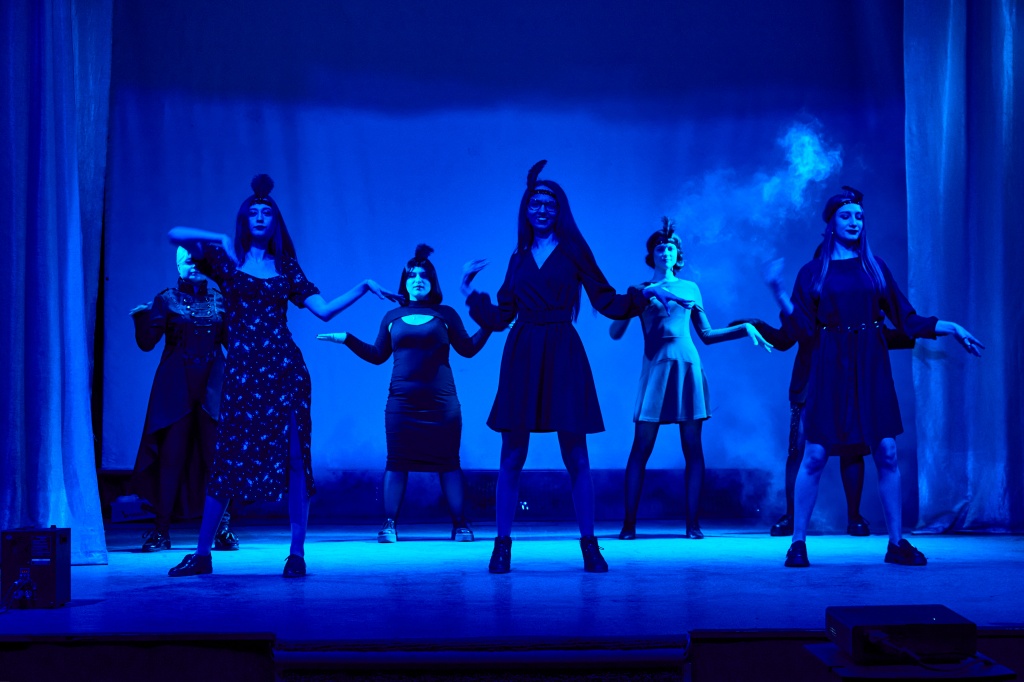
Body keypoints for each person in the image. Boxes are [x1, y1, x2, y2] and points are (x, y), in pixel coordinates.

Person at [165, 174, 399, 578]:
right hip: (243, 374)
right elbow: (175, 234)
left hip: (284, 370)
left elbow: (323, 311)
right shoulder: (226, 259)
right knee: (227, 459)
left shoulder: (286, 266)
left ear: (276, 222)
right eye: (253, 212)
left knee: (294, 459)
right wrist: (220, 237)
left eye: (267, 212)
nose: (260, 217)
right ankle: (202, 555)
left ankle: (296, 554)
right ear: (244, 220)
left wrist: (362, 286)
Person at [461, 160, 690, 573]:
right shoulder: (518, 259)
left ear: (560, 210)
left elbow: (607, 300)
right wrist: (470, 294)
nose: (542, 210)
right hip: (523, 353)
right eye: (535, 203)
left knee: (576, 455)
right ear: (526, 209)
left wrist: (643, 295)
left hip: (564, 352)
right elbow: (501, 316)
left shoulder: (574, 251)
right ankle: (501, 546)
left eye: (549, 204)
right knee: (511, 455)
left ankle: (590, 545)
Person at [766, 186, 983, 568]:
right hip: (830, 366)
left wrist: (949, 327)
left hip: (871, 365)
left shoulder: (874, 267)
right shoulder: (812, 272)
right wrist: (779, 293)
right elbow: (803, 330)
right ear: (831, 223)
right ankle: (798, 543)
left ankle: (896, 544)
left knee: (886, 451)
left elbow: (906, 318)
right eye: (846, 215)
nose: (854, 222)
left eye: (859, 216)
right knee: (815, 454)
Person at [734, 245, 917, 539]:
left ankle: (854, 517)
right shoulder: (808, 292)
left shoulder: (856, 298)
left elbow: (878, 333)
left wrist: (919, 331)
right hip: (809, 381)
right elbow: (785, 338)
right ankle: (792, 517)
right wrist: (754, 324)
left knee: (853, 448)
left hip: (847, 381)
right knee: (800, 450)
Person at [611, 219, 772, 541]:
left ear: (678, 255)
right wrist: (634, 301)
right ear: (651, 255)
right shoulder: (639, 289)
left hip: (686, 365)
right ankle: (628, 525)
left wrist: (745, 328)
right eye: (660, 248)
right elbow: (615, 332)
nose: (666, 253)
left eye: (671, 248)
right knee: (640, 447)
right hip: (656, 368)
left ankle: (693, 525)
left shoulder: (690, 288)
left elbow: (707, 335)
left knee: (692, 447)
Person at [318, 245, 490, 542]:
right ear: (405, 282)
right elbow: (377, 355)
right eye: (412, 275)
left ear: (433, 282)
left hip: (442, 406)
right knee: (397, 462)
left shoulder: (445, 314)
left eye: (424, 275)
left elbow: (468, 349)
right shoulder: (392, 316)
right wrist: (347, 338)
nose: (418, 280)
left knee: (449, 463)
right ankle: (389, 524)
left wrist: (489, 325)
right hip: (402, 406)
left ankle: (460, 524)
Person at [129, 247, 238, 552]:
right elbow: (147, 343)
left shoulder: (220, 299)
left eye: (199, 261)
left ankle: (222, 529)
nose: (194, 266)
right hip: (176, 387)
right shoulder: (167, 299)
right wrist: (141, 317)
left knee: (217, 459)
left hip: (212, 387)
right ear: (178, 266)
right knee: (171, 459)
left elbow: (232, 343)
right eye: (188, 261)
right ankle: (161, 531)